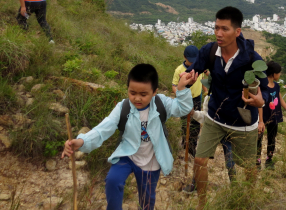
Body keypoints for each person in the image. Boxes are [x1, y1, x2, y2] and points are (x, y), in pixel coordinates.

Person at [61, 64, 196, 210]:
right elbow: (103, 128)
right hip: (127, 155)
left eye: (143, 94)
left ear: (154, 92)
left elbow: (183, 108)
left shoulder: (161, 103)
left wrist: (182, 89)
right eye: (132, 92)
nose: (137, 98)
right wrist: (82, 141)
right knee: (113, 181)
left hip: (151, 161)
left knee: (146, 200)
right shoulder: (123, 107)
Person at [185, 6, 268, 210]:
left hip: (243, 122)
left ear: (237, 31)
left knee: (248, 167)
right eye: (216, 28)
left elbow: (265, 90)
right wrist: (186, 78)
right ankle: (202, 204)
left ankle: (247, 200)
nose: (219, 33)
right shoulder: (210, 51)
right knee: (200, 160)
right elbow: (193, 70)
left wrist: (260, 101)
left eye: (224, 29)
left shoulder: (251, 59)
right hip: (215, 116)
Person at [172, 45, 207, 192]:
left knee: (196, 123)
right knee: (184, 124)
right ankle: (186, 142)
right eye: (190, 60)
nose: (193, 63)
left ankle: (192, 144)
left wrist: (205, 90)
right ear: (185, 57)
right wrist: (179, 92)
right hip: (184, 99)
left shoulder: (199, 68)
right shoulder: (179, 70)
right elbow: (174, 85)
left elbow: (202, 80)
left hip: (197, 99)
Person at [257, 61, 286, 169]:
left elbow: (279, 98)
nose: (279, 75)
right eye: (279, 73)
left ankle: (269, 159)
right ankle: (257, 160)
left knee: (272, 138)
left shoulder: (276, 86)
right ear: (273, 74)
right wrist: (261, 121)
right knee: (259, 138)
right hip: (263, 116)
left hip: (274, 116)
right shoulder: (262, 86)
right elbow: (260, 104)